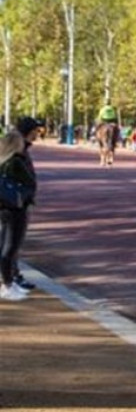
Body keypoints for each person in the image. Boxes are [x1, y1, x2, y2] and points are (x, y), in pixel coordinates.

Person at [0, 130, 37, 301]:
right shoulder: (16, 161)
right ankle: (7, 284)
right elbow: (30, 183)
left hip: (3, 207)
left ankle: (7, 282)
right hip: (16, 207)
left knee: (4, 245)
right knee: (11, 247)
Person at [10, 117, 41, 291]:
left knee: (11, 242)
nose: (38, 134)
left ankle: (13, 275)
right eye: (36, 131)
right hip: (15, 201)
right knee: (12, 242)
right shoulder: (18, 148)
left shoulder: (19, 146)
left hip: (17, 199)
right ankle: (11, 278)